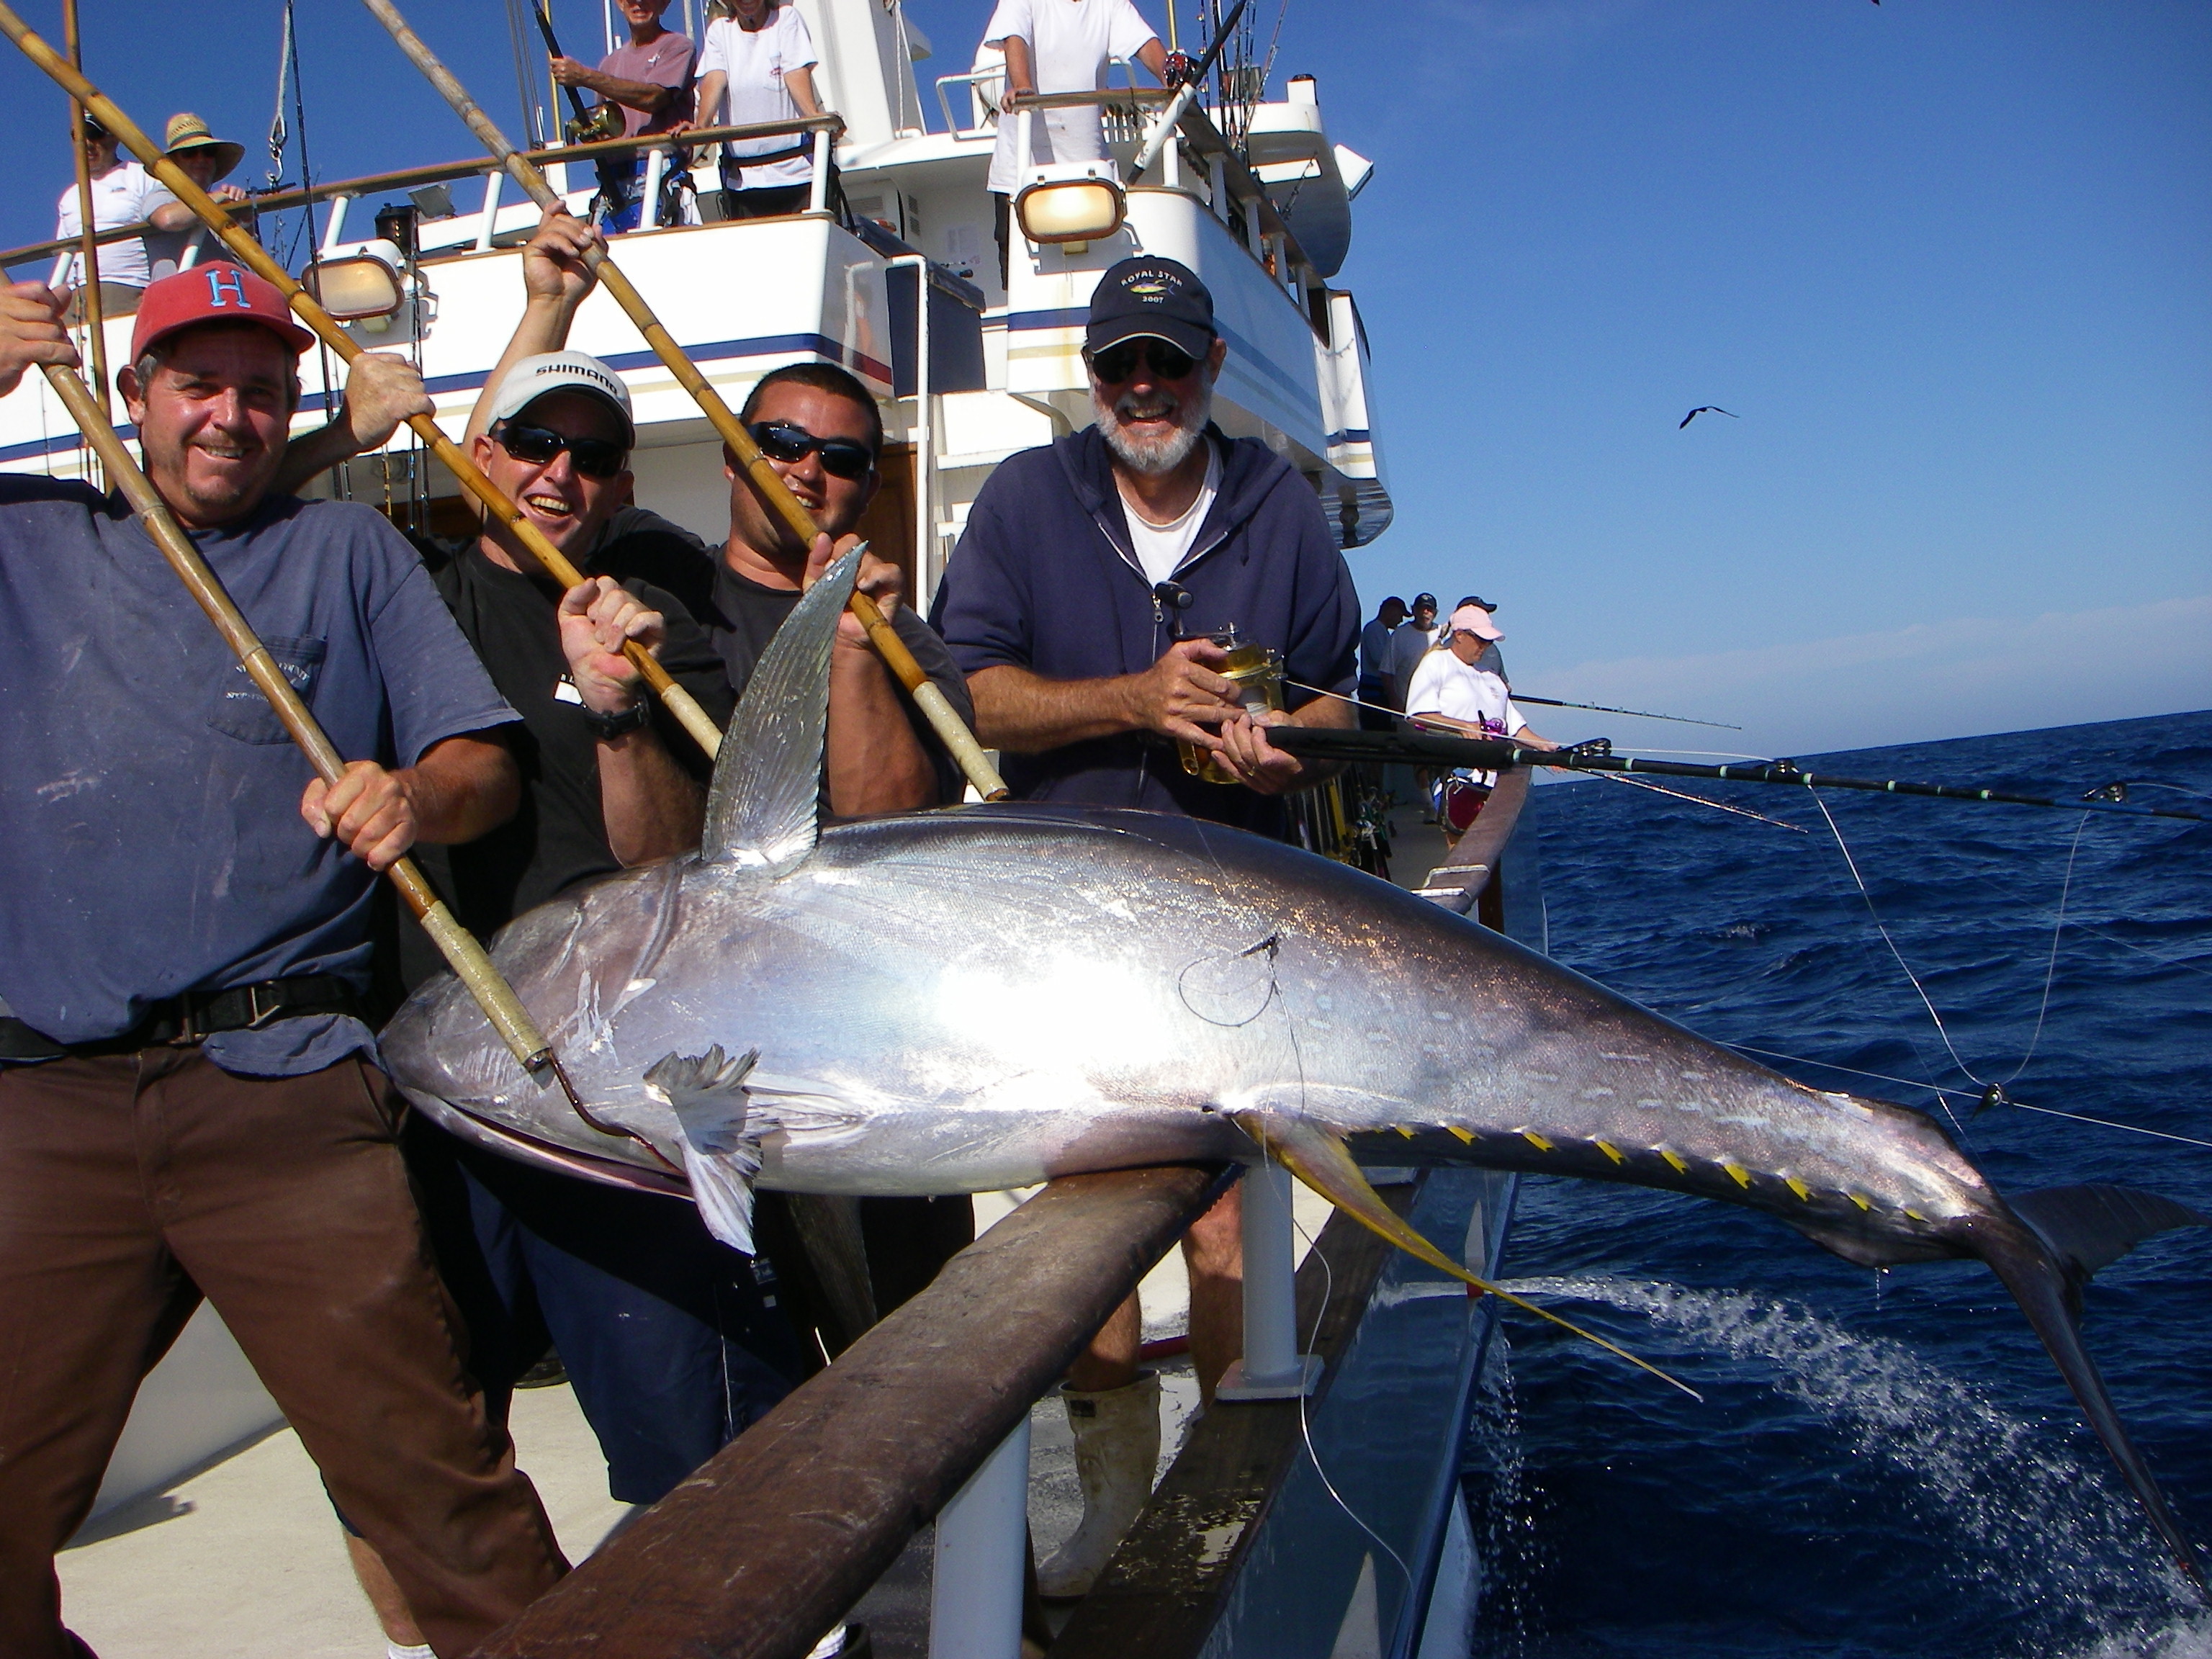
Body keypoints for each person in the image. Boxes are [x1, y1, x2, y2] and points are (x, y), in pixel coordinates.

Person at [0, 264, 569, 1658]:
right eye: (197, 384)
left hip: (287, 1092)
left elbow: (482, 765)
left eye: (263, 392)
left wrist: (414, 801)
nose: (232, 417)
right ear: (129, 399)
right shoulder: (26, 538)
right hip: (44, 1103)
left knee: (441, 1497)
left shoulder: (351, 557)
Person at [930, 252, 1359, 1597]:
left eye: (1168, 361)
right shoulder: (1022, 496)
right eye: (1119, 363)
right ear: (1090, 376)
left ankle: (1223, 1505)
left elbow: (1342, 701)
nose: (1143, 386)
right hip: (1066, 928)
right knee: (1083, 1220)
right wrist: (1132, 701)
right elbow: (978, 696)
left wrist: (1289, 747)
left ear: (1211, 369)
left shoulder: (1280, 504)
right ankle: (1114, 1502)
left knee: (1227, 1221)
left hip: (1236, 919)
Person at [984, 0, 1166, 289]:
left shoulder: (1110, 5)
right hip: (1019, 176)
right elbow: (1014, 38)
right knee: (1023, 286)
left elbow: (1146, 46)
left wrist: (1174, 77)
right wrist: (1022, 85)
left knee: (1100, 281)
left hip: (1091, 173)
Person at [1403, 601, 1554, 848]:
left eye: (1489, 641)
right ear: (1460, 635)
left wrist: (1548, 748)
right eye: (1480, 640)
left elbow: (1515, 727)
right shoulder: (1436, 664)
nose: (1485, 647)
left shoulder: (1491, 677)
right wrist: (1463, 726)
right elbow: (1418, 715)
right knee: (1466, 850)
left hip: (1499, 782)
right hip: (1458, 777)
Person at [550, 0, 696, 232]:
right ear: (620, 4)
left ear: (664, 5)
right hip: (612, 184)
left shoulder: (678, 46)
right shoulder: (609, 63)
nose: (638, 3)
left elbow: (654, 98)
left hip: (660, 173)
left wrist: (585, 77)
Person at [50, 116, 199, 320]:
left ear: (114, 138)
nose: (87, 143)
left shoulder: (141, 175)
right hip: (74, 300)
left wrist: (216, 201)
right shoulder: (69, 196)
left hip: (128, 288)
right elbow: (64, 255)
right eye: (78, 137)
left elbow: (170, 218)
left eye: (94, 135)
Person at [691, 0, 827, 221]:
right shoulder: (720, 31)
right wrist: (701, 125)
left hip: (797, 176)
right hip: (743, 181)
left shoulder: (787, 18)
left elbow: (795, 73)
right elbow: (714, 80)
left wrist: (815, 118)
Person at [144, 113, 254, 282]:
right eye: (189, 153)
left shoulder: (221, 205)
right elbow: (168, 219)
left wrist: (245, 218)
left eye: (208, 152)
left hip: (225, 296)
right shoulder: (161, 195)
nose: (200, 159)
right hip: (180, 299)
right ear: (174, 163)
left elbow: (249, 262)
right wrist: (214, 199)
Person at [1382, 590, 1439, 711]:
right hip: (1406, 709)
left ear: (1435, 613)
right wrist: (1394, 701)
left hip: (1436, 710)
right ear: (1413, 610)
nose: (1425, 612)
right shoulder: (1400, 634)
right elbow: (1386, 672)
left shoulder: (1443, 634)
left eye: (1429, 610)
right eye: (1421, 609)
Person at [1357, 593, 1405, 730]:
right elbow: (1380, 660)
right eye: (1400, 615)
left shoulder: (1381, 631)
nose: (1401, 620)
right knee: (1377, 732)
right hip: (1374, 694)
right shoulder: (1374, 629)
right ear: (1390, 611)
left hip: (1379, 693)